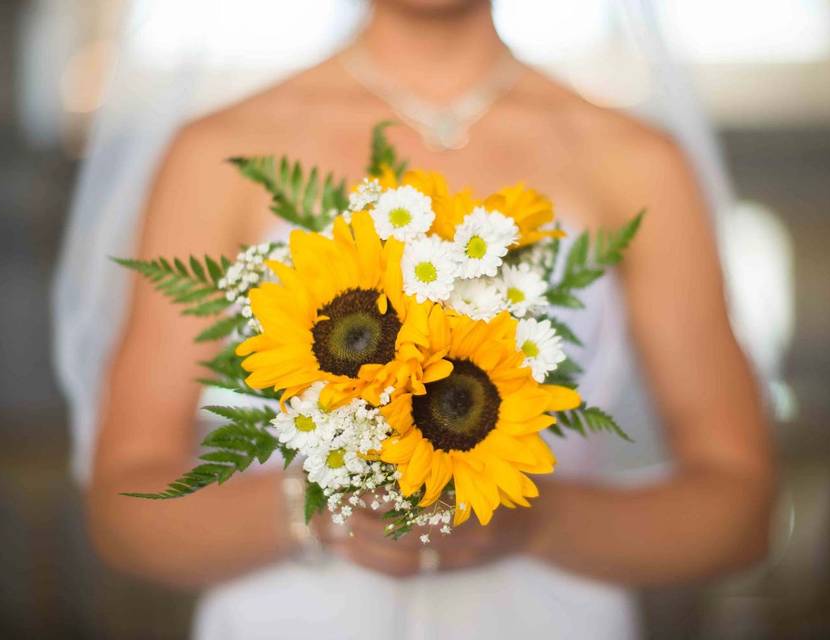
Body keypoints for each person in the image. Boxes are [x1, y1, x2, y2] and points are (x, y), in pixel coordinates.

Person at [74, 0, 773, 637]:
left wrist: (531, 521)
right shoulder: (219, 154)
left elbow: (739, 510)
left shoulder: (636, 162)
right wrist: (319, 509)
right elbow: (125, 509)